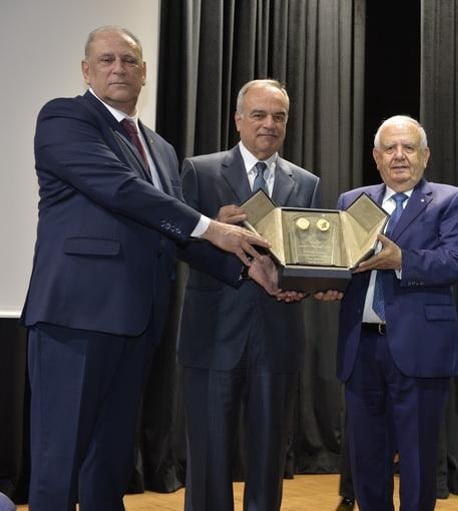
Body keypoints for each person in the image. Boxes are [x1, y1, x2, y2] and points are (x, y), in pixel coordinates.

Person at [22, 26, 276, 510]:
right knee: (59, 463)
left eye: (129, 61)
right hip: (75, 320)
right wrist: (211, 227)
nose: (118, 69)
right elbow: (122, 190)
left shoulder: (159, 148)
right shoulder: (64, 118)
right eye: (106, 60)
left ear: (144, 72)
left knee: (110, 462)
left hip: (137, 322)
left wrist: (247, 268)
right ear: (86, 70)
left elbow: (172, 232)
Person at [177, 79, 320, 511]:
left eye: (279, 117)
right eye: (258, 115)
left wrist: (304, 284)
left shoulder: (306, 182)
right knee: (208, 460)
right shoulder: (200, 171)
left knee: (269, 458)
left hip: (277, 335)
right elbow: (179, 243)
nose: (268, 124)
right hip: (213, 335)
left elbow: (308, 255)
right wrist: (212, 228)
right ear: (238, 120)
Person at [327, 115, 458, 511]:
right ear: (376, 157)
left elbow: (457, 261)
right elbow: (340, 263)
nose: (399, 156)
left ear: (425, 155)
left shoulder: (450, 200)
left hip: (421, 348)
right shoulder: (351, 202)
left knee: (418, 459)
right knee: (366, 459)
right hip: (361, 349)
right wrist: (324, 281)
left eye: (409, 147)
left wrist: (403, 260)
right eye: (389, 148)